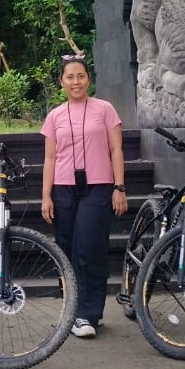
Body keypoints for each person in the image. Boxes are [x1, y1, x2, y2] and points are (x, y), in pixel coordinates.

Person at [40, 55, 128, 338]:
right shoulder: (54, 116)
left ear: (88, 79)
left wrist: (119, 187)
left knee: (90, 248)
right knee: (66, 250)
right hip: (64, 188)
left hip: (98, 186)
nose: (75, 82)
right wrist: (46, 196)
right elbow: (50, 158)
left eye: (80, 76)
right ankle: (71, 311)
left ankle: (89, 314)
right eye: (70, 77)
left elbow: (116, 150)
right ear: (62, 82)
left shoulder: (105, 109)